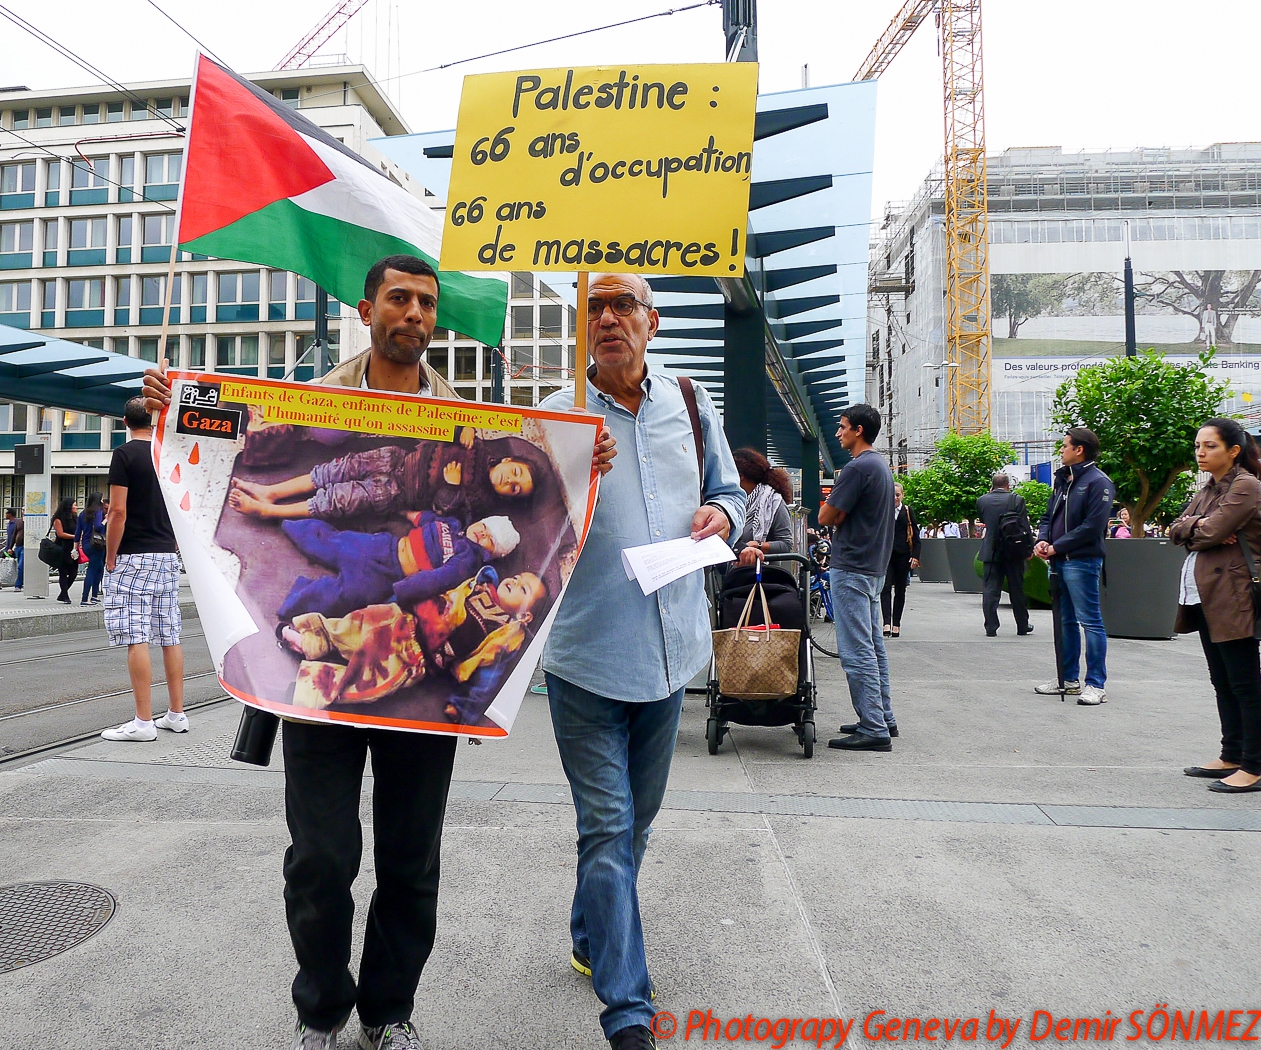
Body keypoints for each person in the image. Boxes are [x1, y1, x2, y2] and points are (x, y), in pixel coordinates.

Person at [144, 253, 613, 1050]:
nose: (416, 315)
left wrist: (584, 465)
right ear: (366, 309)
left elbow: (535, 517)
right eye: (399, 299)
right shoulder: (309, 404)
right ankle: (321, 1009)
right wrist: (174, 409)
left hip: (416, 677)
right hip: (312, 684)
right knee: (320, 860)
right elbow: (222, 439)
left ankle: (389, 1012)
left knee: (409, 859)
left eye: (427, 303)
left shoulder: (469, 421)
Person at [539, 272, 743, 1050]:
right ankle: (627, 1014)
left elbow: (728, 490)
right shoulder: (557, 417)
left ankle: (590, 937)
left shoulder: (688, 405)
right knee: (608, 823)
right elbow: (518, 523)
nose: (608, 317)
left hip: (672, 651)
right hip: (586, 655)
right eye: (596, 305)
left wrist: (718, 512)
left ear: (651, 323)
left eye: (623, 304)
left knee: (635, 827)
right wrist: (566, 473)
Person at [1170, 418, 1261, 793]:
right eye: (1197, 446)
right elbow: (1176, 528)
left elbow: (1211, 531)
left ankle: (1254, 765)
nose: (1201, 453)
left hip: (1234, 593)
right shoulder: (1209, 488)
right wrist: (1197, 527)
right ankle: (1232, 753)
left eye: (1209, 446)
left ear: (1233, 451)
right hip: (1206, 593)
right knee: (1221, 679)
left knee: (1244, 681)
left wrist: (1198, 528)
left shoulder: (1246, 486)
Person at [99, 397, 186, 742]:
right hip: (166, 555)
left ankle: (143, 722)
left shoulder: (125, 455)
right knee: (170, 634)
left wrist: (110, 554)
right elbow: (183, 505)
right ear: (155, 420)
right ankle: (177, 714)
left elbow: (117, 512)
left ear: (124, 421)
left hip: (133, 555)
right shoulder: (169, 453)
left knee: (136, 636)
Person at [818, 404, 898, 751]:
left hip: (851, 567)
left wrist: (831, 514)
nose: (838, 433)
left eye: (843, 426)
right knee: (874, 647)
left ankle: (873, 727)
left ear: (859, 431)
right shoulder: (881, 465)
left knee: (856, 650)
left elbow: (825, 516)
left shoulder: (855, 469)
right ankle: (883, 716)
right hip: (873, 568)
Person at [275, 512, 520, 621]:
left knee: (347, 594)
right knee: (336, 542)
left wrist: (401, 592)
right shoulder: (452, 523)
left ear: (489, 554)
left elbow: (438, 579)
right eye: (485, 526)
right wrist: (406, 511)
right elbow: (426, 518)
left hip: (389, 574)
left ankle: (297, 599)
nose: (482, 533)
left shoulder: (467, 559)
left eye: (490, 539)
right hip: (384, 545)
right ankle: (290, 524)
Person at [1033, 427, 1115, 705]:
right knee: (1064, 621)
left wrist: (1058, 546)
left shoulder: (1098, 482)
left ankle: (1095, 684)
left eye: (1065, 445)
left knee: (1090, 621)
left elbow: (1092, 527)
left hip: (1082, 562)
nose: (1060, 450)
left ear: (1079, 449)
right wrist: (1043, 539)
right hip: (1057, 562)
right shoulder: (1063, 481)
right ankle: (1067, 680)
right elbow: (1047, 516)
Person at [977, 473, 1033, 638]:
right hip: (1013, 550)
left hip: (991, 550)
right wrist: (1029, 549)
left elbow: (984, 519)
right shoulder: (1017, 500)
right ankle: (1022, 625)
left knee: (990, 590)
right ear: (1008, 485)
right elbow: (1024, 526)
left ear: (992, 486)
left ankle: (991, 627)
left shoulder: (982, 500)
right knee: (1017, 589)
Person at [732, 447, 794, 567]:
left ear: (740, 476)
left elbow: (786, 544)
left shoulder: (773, 502)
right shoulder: (728, 502)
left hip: (764, 575)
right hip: (730, 575)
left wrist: (757, 545)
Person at [881, 482, 920, 637]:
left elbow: (916, 536)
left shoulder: (908, 511)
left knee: (900, 590)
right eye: (892, 495)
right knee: (884, 589)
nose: (895, 498)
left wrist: (915, 556)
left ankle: (896, 623)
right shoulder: (883, 510)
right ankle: (886, 622)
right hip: (885, 555)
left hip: (903, 556)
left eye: (897, 495)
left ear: (902, 495)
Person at [76, 490, 107, 605]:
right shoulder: (98, 511)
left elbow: (78, 531)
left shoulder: (83, 513)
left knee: (99, 567)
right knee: (92, 570)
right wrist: (106, 519)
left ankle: (94, 595)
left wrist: (75, 547)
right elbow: (99, 527)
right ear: (99, 500)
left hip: (86, 544)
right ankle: (85, 598)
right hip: (97, 544)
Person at [51, 496, 78, 604]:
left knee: (73, 573)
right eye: (74, 505)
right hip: (62, 547)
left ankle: (62, 594)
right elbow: (60, 534)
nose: (76, 507)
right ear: (68, 506)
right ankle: (65, 596)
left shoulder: (75, 518)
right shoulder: (58, 519)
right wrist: (74, 536)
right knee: (63, 572)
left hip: (73, 548)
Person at [3, 508, 22, 591]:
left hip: (15, 548)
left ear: (10, 514)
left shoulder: (16, 523)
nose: (6, 514)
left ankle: (19, 583)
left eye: (7, 513)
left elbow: (14, 536)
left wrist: (12, 547)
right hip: (9, 548)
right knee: (4, 564)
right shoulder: (9, 524)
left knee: (20, 566)